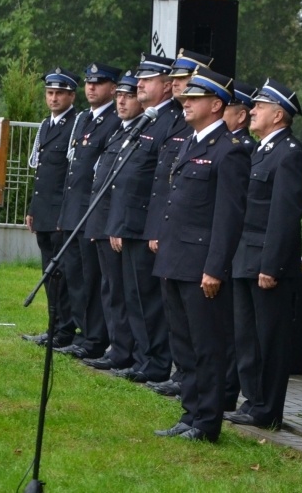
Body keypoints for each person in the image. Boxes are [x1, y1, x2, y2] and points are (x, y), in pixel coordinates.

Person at [152, 67, 250, 442]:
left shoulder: (230, 151)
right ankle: (190, 413)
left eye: (194, 99)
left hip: (201, 267)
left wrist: (215, 268)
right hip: (175, 260)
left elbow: (228, 218)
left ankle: (207, 422)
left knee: (207, 346)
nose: (186, 103)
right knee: (184, 345)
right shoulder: (190, 142)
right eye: (186, 98)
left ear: (215, 104)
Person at [225, 78, 302, 430]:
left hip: (266, 261)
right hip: (245, 256)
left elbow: (284, 214)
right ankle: (253, 400)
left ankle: (268, 408)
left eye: (259, 107)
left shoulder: (290, 153)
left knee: (269, 338)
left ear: (278, 115)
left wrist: (271, 264)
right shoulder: (260, 150)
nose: (252, 111)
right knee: (246, 335)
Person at [107, 53, 185, 384]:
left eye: (148, 79)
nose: (140, 84)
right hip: (132, 222)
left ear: (167, 86)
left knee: (147, 300)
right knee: (134, 297)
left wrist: (153, 227)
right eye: (140, 78)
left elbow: (160, 182)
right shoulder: (150, 119)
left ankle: (154, 362)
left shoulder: (172, 121)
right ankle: (143, 358)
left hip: (146, 223)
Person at [145, 49, 211, 397]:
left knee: (201, 333)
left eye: (186, 85)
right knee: (178, 323)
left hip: (196, 247)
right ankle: (185, 386)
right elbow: (165, 185)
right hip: (173, 237)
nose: (179, 90)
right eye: (176, 83)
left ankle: (200, 396)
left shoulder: (222, 145)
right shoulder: (172, 122)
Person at [54, 63, 122, 360]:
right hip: (74, 210)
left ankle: (95, 337)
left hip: (92, 213)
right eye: (89, 83)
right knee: (75, 277)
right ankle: (84, 332)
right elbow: (74, 168)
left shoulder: (114, 120)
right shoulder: (85, 119)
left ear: (112, 87)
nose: (91, 87)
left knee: (93, 280)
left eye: (99, 83)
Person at [82, 71, 144, 372]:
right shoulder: (120, 131)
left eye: (128, 96)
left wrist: (113, 225)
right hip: (104, 221)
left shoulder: (138, 132)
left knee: (121, 291)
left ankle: (124, 351)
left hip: (117, 225)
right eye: (119, 95)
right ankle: (117, 347)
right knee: (109, 288)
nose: (121, 101)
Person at [21, 68, 80, 348]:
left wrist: (63, 214)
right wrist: (32, 209)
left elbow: (70, 176)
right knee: (48, 275)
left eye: (59, 93)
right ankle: (53, 327)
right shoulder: (46, 125)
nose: (53, 98)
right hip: (43, 211)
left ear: (71, 95)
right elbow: (41, 175)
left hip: (59, 214)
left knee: (61, 275)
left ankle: (65, 330)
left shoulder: (75, 125)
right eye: (50, 93)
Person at [223, 81, 258, 154]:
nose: (217, 112)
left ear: (241, 116)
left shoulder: (242, 147)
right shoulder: (224, 139)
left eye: (223, 109)